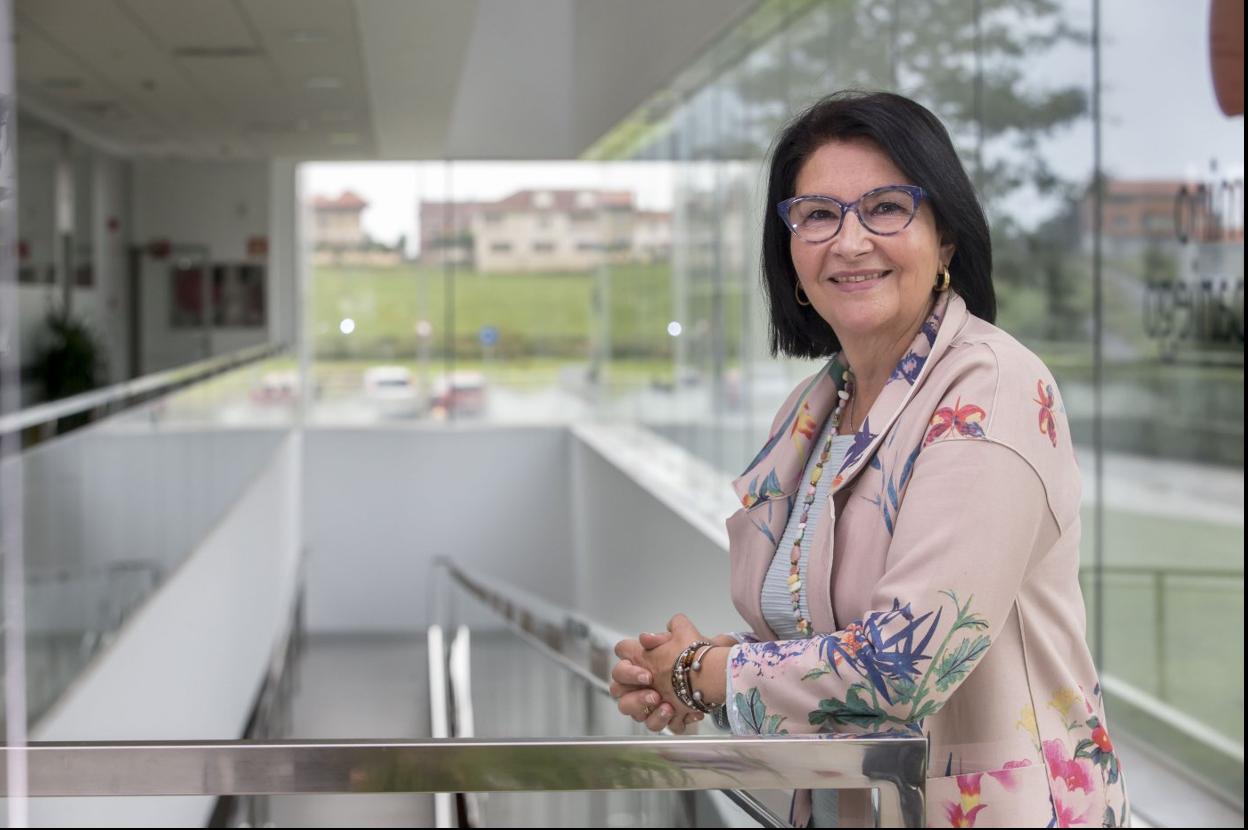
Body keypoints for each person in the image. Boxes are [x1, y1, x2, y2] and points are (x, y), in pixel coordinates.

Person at [609, 91, 1130, 827]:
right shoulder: (814, 409)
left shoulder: (990, 386)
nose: (850, 242)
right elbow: (831, 645)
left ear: (944, 237)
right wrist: (691, 675)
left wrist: (709, 674)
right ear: (788, 251)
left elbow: (904, 664)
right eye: (818, 215)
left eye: (886, 207)